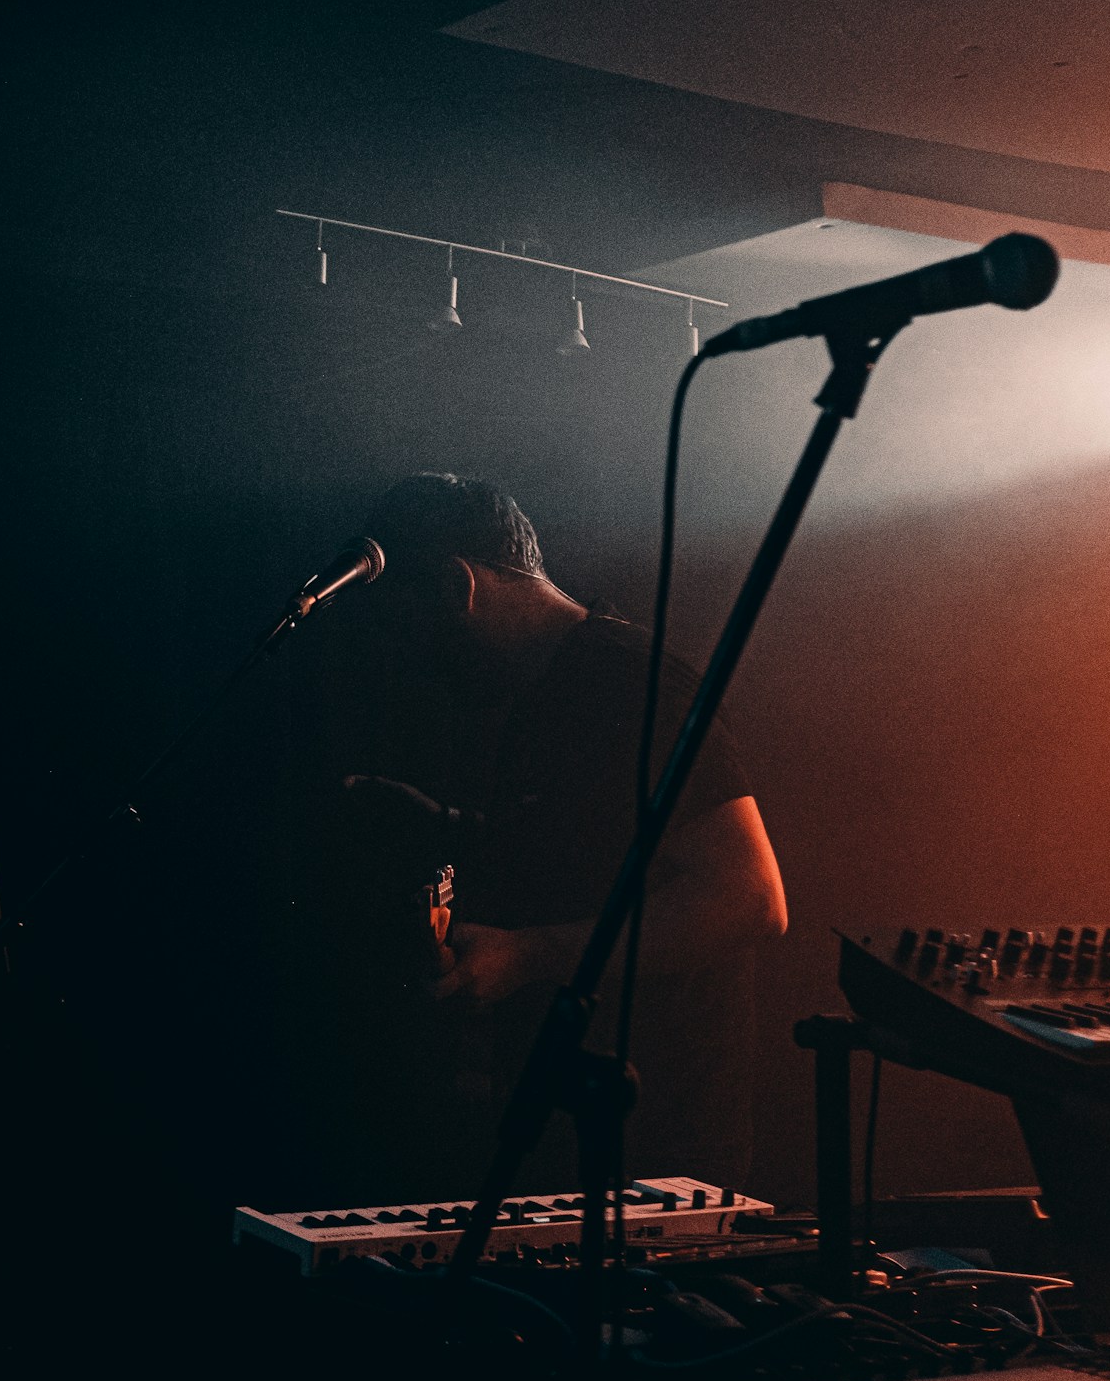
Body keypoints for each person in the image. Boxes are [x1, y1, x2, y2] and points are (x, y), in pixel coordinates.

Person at [328, 472, 786, 1197]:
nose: (416, 660)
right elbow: (592, 855)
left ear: (456, 586)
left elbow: (749, 898)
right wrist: (448, 828)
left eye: (411, 629)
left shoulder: (628, 686)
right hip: (585, 1141)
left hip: (652, 1151)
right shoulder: (550, 694)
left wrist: (528, 955)